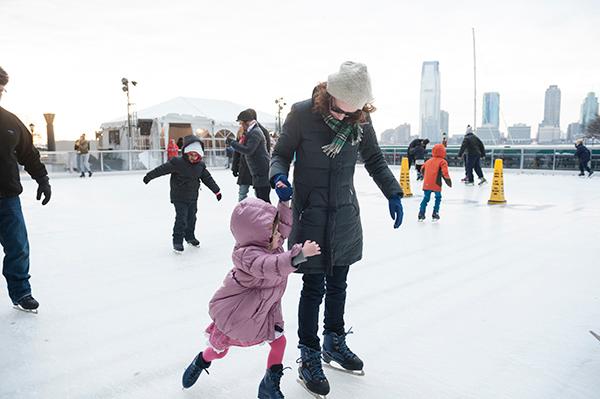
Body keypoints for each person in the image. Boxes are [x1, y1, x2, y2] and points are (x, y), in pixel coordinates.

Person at [269, 61, 404, 397]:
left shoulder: (360, 118)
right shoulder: (301, 114)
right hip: (311, 215)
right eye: (343, 111)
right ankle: (309, 355)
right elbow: (281, 153)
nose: (347, 118)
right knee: (313, 287)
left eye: (354, 112)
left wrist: (393, 192)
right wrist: (279, 177)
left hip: (344, 216)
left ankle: (334, 342)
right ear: (330, 96)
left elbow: (373, 158)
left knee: (339, 284)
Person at [181, 198, 321, 398]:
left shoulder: (272, 245)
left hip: (263, 314)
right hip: (237, 318)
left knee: (279, 343)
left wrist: (284, 202)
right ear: (259, 236)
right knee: (219, 350)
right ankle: (202, 360)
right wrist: (298, 256)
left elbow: (282, 227)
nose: (279, 236)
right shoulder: (247, 256)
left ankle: (269, 384)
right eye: (274, 233)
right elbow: (269, 265)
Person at [0, 65, 51, 313]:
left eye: (1, 90)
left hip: (8, 198)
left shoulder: (10, 122)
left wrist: (42, 179)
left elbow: (28, 154)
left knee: (18, 246)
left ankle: (21, 292)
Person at [143, 135, 221, 253]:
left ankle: (190, 237)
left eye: (196, 155)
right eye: (191, 154)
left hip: (193, 197)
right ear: (186, 153)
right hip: (179, 197)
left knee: (192, 218)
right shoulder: (177, 163)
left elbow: (208, 179)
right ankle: (177, 241)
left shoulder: (200, 166)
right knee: (181, 218)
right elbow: (161, 170)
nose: (193, 157)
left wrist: (217, 191)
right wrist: (149, 176)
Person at [230, 109, 271, 203]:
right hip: (254, 171)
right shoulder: (249, 131)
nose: (240, 125)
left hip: (260, 171)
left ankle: (269, 217)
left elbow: (248, 150)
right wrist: (235, 167)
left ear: (247, 122)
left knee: (263, 201)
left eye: (241, 123)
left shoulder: (255, 132)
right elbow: (239, 152)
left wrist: (232, 143)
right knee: (255, 197)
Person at [418, 144, 452, 222]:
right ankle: (435, 213)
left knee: (426, 198)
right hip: (436, 184)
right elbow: (445, 173)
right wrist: (448, 181)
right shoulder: (443, 161)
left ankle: (421, 214)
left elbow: (422, 169)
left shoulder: (428, 161)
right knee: (438, 198)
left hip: (427, 183)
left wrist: (426, 176)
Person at [232, 127, 253, 201]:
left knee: (259, 193)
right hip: (244, 168)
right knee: (242, 193)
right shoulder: (240, 138)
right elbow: (236, 154)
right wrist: (234, 168)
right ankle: (241, 210)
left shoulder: (255, 134)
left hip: (254, 168)